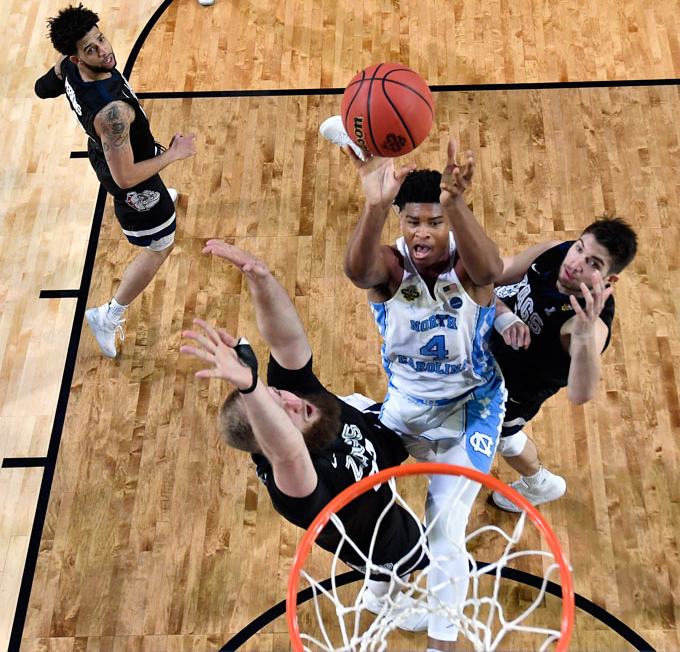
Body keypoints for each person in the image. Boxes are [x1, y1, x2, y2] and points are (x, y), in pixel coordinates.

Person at [180, 239, 429, 630]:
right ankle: (382, 601)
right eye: (282, 411)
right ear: (267, 441)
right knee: (402, 563)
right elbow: (289, 452)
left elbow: (287, 341)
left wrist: (262, 280)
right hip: (374, 534)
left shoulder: (295, 399)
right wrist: (249, 386)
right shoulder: (294, 488)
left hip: (372, 436)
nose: (294, 402)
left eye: (281, 396)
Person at [331, 117, 506, 652]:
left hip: (467, 413)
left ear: (449, 223)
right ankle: (382, 580)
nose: (422, 233)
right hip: (404, 408)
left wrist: (457, 204)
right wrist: (374, 206)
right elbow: (357, 272)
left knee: (445, 528)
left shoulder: (467, 267)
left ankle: (441, 644)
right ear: (401, 221)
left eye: (434, 222)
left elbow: (491, 270)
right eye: (412, 222)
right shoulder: (391, 265)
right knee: (349, 474)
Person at [34, 4, 197, 359]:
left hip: (105, 152)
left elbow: (41, 88)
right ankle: (108, 315)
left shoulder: (67, 67)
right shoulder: (112, 113)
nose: (104, 51)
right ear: (77, 58)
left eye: (101, 39)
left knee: (140, 169)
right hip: (131, 180)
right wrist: (174, 154)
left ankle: (158, 195)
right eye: (91, 49)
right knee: (161, 245)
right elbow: (125, 178)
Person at [486, 217, 638, 512]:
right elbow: (493, 274)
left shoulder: (587, 324)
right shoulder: (556, 252)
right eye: (580, 248)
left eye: (594, 264)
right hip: (491, 339)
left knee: (503, 438)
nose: (577, 263)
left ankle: (539, 483)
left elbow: (581, 394)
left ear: (610, 279)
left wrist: (584, 335)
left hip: (514, 387)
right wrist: (501, 312)